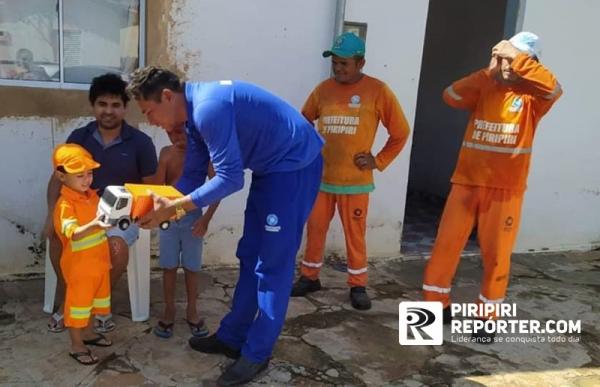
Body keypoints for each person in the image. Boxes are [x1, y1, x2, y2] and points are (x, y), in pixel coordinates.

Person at [127, 66, 323, 386]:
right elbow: (190, 178)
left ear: (166, 96)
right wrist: (158, 209)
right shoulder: (191, 116)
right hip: (269, 168)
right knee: (249, 253)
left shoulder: (208, 108)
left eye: (149, 112)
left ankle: (257, 353)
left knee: (272, 265)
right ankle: (232, 337)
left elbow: (230, 178)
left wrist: (175, 207)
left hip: (294, 165)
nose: (151, 121)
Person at [422, 32, 562, 341]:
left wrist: (516, 57)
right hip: (466, 182)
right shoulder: (485, 86)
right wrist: (490, 71)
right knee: (444, 249)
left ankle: (486, 319)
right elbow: (450, 95)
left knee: (497, 256)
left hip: (505, 188)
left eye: (511, 60)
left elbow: (555, 89)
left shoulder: (533, 100)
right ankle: (433, 311)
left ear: (529, 64)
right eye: (499, 58)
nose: (504, 65)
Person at [290, 32, 411, 310]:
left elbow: (401, 133)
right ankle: (310, 276)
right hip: (321, 179)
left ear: (361, 63)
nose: (339, 69)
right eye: (335, 63)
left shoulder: (378, 91)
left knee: (354, 235)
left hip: (356, 183)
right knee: (315, 228)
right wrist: (308, 155)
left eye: (344, 63)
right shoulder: (322, 90)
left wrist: (378, 160)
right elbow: (302, 122)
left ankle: (358, 285)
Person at [44, 73, 158, 333]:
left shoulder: (140, 143)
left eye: (115, 105)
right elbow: (57, 180)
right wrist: (52, 215)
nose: (109, 111)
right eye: (102, 104)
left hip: (121, 216)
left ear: (124, 108)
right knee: (55, 237)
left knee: (115, 246)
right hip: (80, 210)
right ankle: (69, 303)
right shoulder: (79, 137)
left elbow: (151, 188)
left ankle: (96, 305)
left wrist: (143, 216)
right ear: (93, 105)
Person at [152, 125, 219, 339]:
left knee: (192, 267)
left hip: (193, 219)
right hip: (169, 220)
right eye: (171, 133)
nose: (175, 137)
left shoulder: (203, 155)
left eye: (180, 132)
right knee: (168, 266)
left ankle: (192, 310)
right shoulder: (166, 154)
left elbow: (217, 188)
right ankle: (169, 310)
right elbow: (157, 188)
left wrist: (206, 219)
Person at [52, 143, 114, 365]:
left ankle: (88, 334)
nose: (86, 179)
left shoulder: (92, 196)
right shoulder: (65, 204)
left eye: (89, 173)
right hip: (79, 268)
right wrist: (97, 224)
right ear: (61, 176)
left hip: (98, 264)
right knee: (78, 306)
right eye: (79, 175)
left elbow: (102, 224)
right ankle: (76, 344)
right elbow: (74, 234)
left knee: (91, 304)